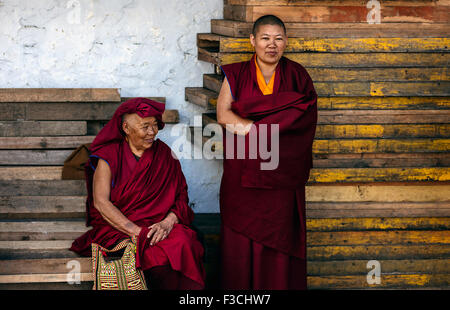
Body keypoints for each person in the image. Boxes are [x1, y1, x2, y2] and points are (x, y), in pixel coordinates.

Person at [216, 15, 318, 289]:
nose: (271, 45)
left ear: (286, 42)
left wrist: (259, 130)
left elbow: (305, 121)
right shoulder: (235, 74)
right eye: (265, 38)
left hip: (282, 177)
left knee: (280, 241)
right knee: (241, 240)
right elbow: (224, 115)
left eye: (278, 39)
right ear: (253, 41)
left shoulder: (298, 76)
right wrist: (258, 131)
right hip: (243, 176)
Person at [70, 97, 205, 290]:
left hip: (160, 225)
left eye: (155, 125)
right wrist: (137, 232)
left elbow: (181, 196)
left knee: (185, 242)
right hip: (121, 227)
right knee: (157, 256)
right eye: (145, 127)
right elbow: (101, 203)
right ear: (126, 128)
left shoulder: (165, 154)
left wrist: (167, 223)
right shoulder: (109, 156)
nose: (152, 132)